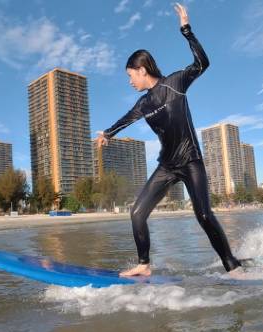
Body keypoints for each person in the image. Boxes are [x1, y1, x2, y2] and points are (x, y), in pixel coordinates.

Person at [94, 3, 242, 277]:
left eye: (130, 76)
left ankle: (232, 266)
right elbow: (126, 118)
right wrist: (108, 134)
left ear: (141, 69)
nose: (129, 81)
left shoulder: (175, 82)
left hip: (191, 161)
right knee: (137, 213)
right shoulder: (143, 103)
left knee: (204, 215)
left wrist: (186, 30)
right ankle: (144, 264)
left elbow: (202, 64)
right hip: (167, 166)